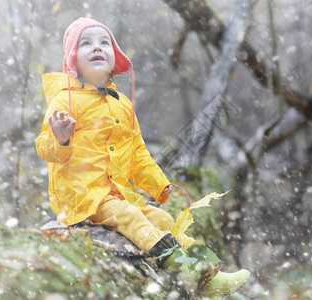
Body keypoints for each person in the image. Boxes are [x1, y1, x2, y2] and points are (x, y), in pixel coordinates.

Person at [36, 17, 249, 297]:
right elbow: (44, 148)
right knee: (130, 217)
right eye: (85, 43)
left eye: (104, 43)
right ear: (73, 60)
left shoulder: (121, 105)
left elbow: (137, 152)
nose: (96, 48)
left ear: (115, 59)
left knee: (159, 218)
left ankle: (206, 274)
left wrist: (158, 185)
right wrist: (61, 137)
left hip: (115, 193)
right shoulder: (65, 100)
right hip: (82, 196)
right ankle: (184, 273)